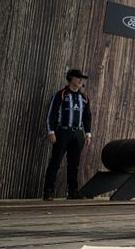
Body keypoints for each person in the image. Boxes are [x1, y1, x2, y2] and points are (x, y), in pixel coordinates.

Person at [43, 69, 92, 200]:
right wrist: (51, 131)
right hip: (62, 132)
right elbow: (51, 114)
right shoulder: (61, 95)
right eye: (78, 77)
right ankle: (48, 191)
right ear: (70, 78)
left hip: (77, 133)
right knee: (55, 162)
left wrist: (88, 133)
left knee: (74, 164)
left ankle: (72, 191)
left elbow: (87, 117)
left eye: (82, 78)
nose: (81, 80)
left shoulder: (84, 98)